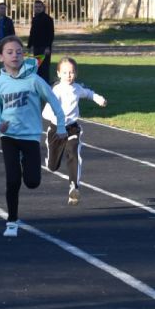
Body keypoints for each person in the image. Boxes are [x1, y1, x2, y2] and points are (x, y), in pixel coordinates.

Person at [0, 36, 66, 237]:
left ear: (24, 55)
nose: (15, 55)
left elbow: (54, 102)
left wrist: (61, 126)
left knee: (32, 182)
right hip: (9, 136)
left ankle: (26, 162)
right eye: (10, 52)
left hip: (30, 136)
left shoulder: (34, 80)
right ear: (0, 57)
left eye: (19, 52)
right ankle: (12, 221)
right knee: (13, 180)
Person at [42, 57, 107, 206]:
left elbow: (88, 93)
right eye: (65, 72)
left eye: (71, 72)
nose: (68, 75)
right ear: (58, 74)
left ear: (75, 73)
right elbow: (45, 113)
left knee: (73, 151)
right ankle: (50, 159)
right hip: (56, 130)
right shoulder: (57, 90)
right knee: (53, 166)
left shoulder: (77, 88)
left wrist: (99, 99)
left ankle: (74, 187)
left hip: (72, 128)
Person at [27, 0, 54, 84]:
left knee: (45, 67)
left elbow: (50, 34)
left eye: (39, 7)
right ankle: (38, 84)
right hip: (36, 47)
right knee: (37, 66)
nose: (37, 8)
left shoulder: (48, 19)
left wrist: (48, 47)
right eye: (36, 7)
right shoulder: (35, 19)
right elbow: (32, 32)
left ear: (43, 8)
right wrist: (29, 45)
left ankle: (46, 84)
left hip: (44, 47)